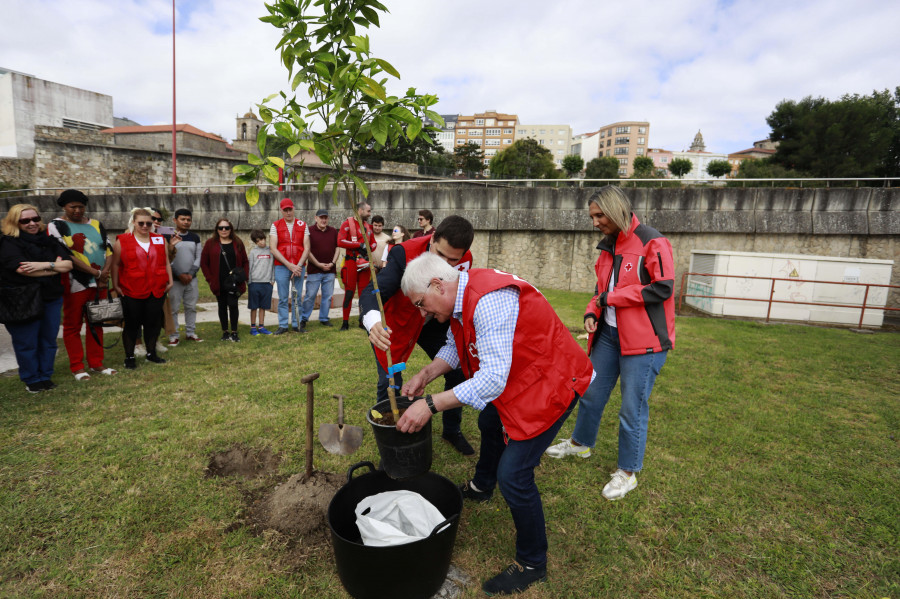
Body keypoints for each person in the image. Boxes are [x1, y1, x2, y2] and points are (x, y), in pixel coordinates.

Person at [396, 253, 594, 595]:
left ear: (437, 285)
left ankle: (533, 562)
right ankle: (482, 486)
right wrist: (426, 374)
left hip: (554, 381)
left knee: (515, 475)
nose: (421, 313)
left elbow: (490, 381)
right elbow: (456, 347)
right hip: (523, 378)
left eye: (420, 303)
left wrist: (430, 405)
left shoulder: (488, 300)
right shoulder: (461, 296)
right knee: (490, 421)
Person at [545, 186, 675, 501]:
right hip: (608, 336)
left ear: (616, 210)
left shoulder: (651, 240)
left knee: (632, 409)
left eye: (599, 215)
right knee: (590, 394)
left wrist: (611, 298)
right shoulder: (607, 246)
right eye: (592, 216)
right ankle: (580, 444)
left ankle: (627, 473)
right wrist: (593, 310)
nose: (595, 222)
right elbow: (600, 289)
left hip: (644, 344)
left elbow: (663, 288)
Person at [362, 216, 476, 456]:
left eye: (452, 260)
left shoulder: (466, 261)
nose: (444, 264)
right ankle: (391, 435)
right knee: (390, 380)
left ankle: (452, 430)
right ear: (432, 238)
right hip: (399, 323)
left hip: (435, 321)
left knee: (457, 370)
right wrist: (373, 323)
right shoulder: (403, 252)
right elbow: (375, 290)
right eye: (439, 255)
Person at [0, 204, 73, 393]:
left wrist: (42, 265)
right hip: (22, 300)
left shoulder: (48, 240)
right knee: (27, 342)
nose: (32, 223)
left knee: (48, 340)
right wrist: (53, 268)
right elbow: (22, 270)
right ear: (15, 222)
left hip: (50, 297)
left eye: (35, 219)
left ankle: (45, 375)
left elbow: (67, 265)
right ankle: (32, 379)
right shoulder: (8, 243)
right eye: (25, 220)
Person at [46, 189, 117, 381]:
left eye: (81, 206)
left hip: (100, 282)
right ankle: (77, 366)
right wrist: (95, 273)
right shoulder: (55, 226)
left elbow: (108, 250)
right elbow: (66, 254)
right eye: (72, 207)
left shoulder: (96, 224)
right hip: (75, 283)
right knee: (73, 325)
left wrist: (104, 274)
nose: (77, 210)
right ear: (64, 206)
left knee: (97, 322)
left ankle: (96, 363)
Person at [111, 208, 173, 370]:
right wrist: (116, 285)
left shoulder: (159, 239)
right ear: (133, 222)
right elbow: (116, 264)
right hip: (132, 289)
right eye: (141, 223)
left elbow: (166, 261)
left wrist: (170, 281)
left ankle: (151, 353)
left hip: (156, 289)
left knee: (153, 323)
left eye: (148, 223)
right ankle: (129, 357)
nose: (145, 226)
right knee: (132, 325)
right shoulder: (123, 240)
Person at [200, 217, 249, 342]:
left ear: (230, 229)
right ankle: (225, 332)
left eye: (226, 227)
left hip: (234, 281)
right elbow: (204, 263)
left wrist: (244, 276)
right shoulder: (210, 243)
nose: (224, 230)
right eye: (221, 228)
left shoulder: (237, 242)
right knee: (222, 306)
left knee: (233, 305)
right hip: (219, 280)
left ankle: (234, 331)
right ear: (216, 230)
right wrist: (210, 279)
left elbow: (245, 261)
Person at [269, 198, 309, 335]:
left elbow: (306, 247)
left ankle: (297, 324)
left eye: (290, 209)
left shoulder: (303, 225)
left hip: (299, 266)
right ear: (281, 211)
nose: (288, 213)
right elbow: (273, 248)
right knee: (283, 297)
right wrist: (289, 265)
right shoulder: (275, 225)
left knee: (297, 296)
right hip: (282, 266)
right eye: (285, 210)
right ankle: (283, 325)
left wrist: (298, 266)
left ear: (294, 208)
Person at [337, 200, 377, 331]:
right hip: (351, 263)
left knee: (364, 293)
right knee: (349, 292)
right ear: (360, 211)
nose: (370, 214)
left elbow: (374, 243)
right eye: (368, 211)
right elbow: (340, 241)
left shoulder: (368, 227)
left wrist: (369, 248)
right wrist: (359, 245)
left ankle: (363, 321)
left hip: (364, 264)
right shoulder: (346, 224)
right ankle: (345, 322)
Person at [167, 208, 203, 345]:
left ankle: (190, 332)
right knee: (173, 308)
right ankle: (173, 335)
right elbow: (167, 259)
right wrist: (179, 274)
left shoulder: (195, 237)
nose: (186, 222)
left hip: (191, 279)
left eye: (188, 220)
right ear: (175, 220)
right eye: (183, 219)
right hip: (175, 280)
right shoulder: (168, 236)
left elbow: (198, 257)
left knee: (191, 306)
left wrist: (190, 274)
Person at [300, 208, 340, 332]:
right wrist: (318, 264)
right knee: (310, 296)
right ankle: (303, 318)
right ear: (315, 218)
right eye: (321, 217)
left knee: (327, 296)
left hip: (330, 270)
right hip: (314, 270)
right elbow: (307, 250)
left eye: (325, 218)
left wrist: (332, 263)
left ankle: (324, 318)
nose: (323, 220)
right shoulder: (309, 231)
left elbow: (338, 247)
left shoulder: (333, 231)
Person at [247, 228, 275, 336]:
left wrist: (272, 280)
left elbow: (273, 266)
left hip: (267, 283)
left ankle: (262, 326)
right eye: (258, 240)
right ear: (255, 242)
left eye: (263, 239)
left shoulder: (270, 251)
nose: (262, 242)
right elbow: (250, 268)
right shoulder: (253, 252)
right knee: (254, 306)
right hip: (254, 283)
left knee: (263, 306)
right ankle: (253, 327)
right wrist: (249, 282)